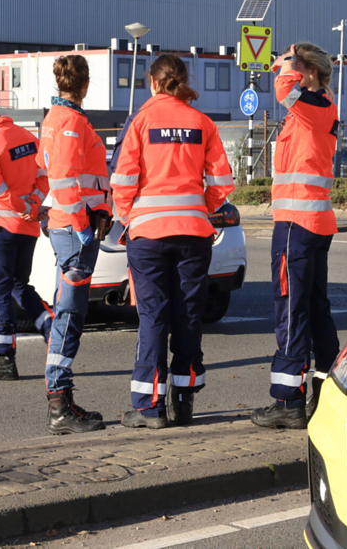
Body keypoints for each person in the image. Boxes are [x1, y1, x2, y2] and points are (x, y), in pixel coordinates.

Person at [110, 54, 234, 429]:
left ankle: (149, 408)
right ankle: (184, 402)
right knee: (188, 317)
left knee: (153, 317)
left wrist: (127, 217)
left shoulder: (141, 120)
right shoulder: (202, 123)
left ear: (151, 81)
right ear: (183, 81)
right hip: (193, 234)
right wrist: (202, 207)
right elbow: (222, 184)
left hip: (147, 234)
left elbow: (123, 179)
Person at [251, 42, 340, 430]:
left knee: (291, 308)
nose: (285, 70)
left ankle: (288, 401)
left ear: (309, 72)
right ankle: (325, 393)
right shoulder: (313, 109)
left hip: (297, 224)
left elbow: (284, 89)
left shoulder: (313, 105)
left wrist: (286, 62)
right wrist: (288, 64)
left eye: (295, 66)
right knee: (315, 310)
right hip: (310, 223)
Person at [37, 55, 110, 434]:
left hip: (66, 225)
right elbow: (65, 179)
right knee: (70, 316)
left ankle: (60, 400)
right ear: (84, 86)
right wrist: (83, 225)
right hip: (75, 229)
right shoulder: (72, 122)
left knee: (67, 312)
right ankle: (59, 405)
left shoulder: (53, 118)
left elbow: (43, 170)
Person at [0, 90, 53, 388]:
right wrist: (34, 204)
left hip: (1, 227)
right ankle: (51, 326)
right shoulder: (26, 136)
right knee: (18, 285)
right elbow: (44, 176)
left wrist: (23, 207)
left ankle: (3, 357)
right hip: (26, 228)